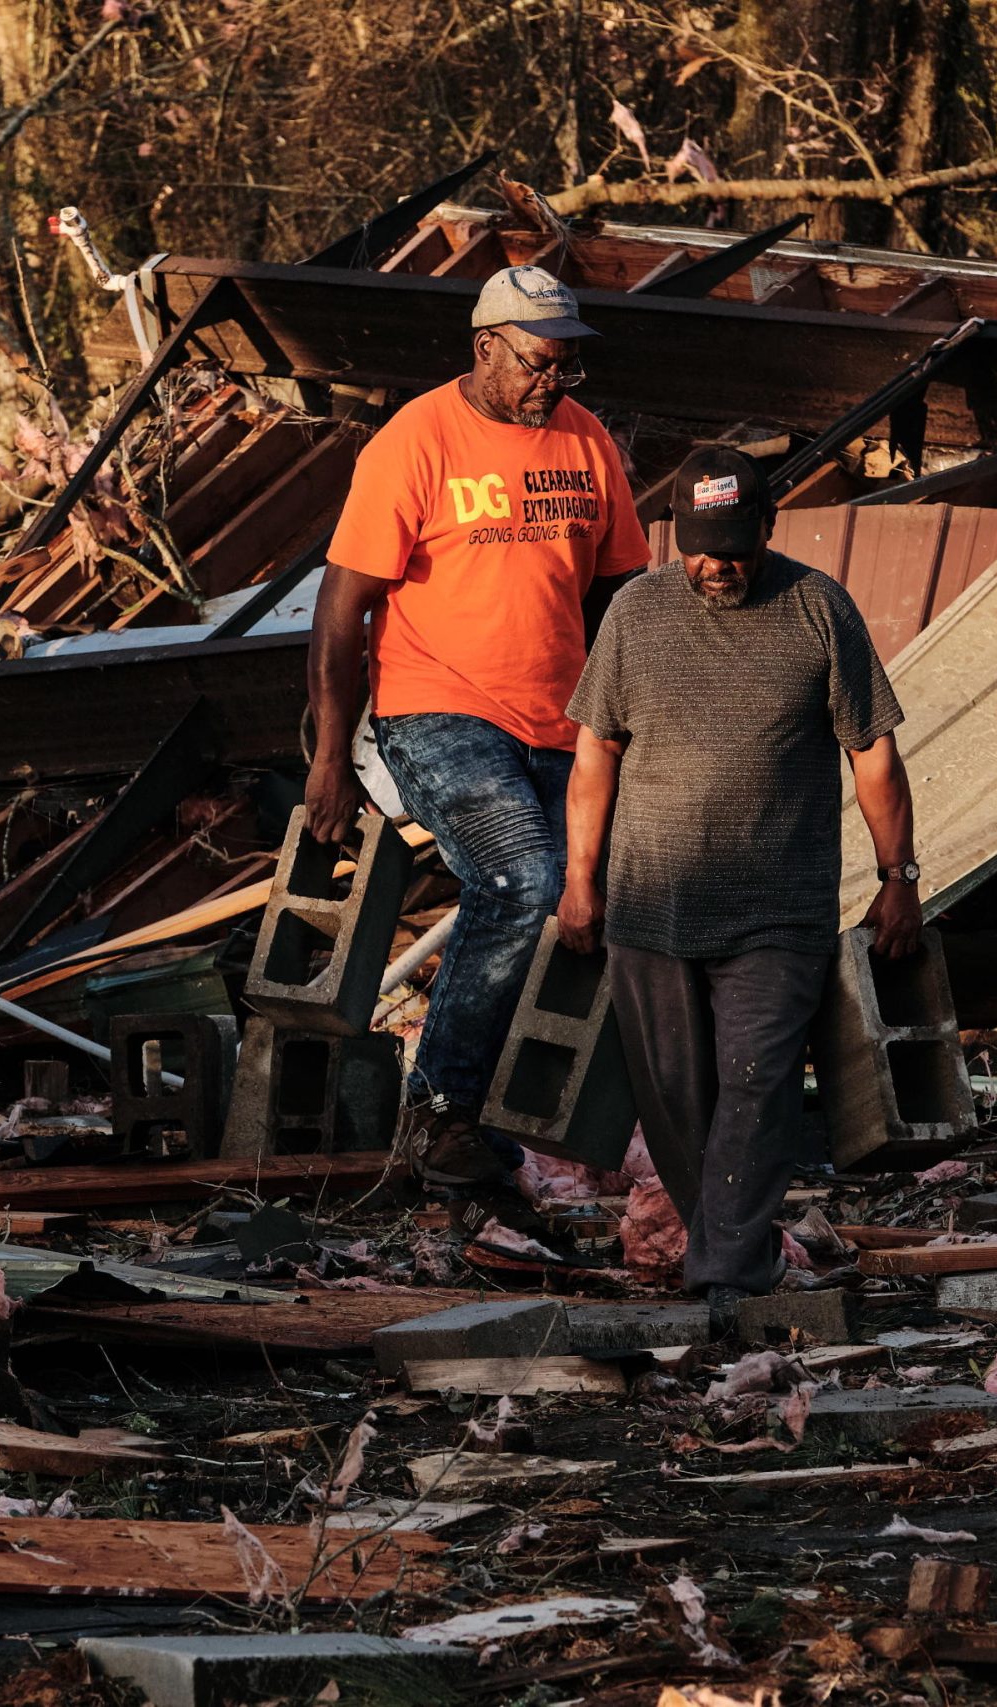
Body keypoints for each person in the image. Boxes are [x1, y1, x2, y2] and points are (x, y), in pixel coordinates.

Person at [557, 444, 921, 1336]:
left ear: (768, 526)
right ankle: (736, 1252)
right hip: (651, 905)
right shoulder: (636, 614)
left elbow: (870, 749)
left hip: (779, 907)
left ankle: (723, 1276)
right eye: (700, 546)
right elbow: (595, 751)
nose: (717, 563)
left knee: (757, 1083)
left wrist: (898, 876)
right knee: (676, 1096)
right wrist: (580, 879)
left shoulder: (817, 607)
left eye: (734, 544)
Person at [305, 265, 650, 1189]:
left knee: (612, 898)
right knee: (521, 879)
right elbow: (339, 612)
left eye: (569, 365)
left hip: (562, 721)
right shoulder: (414, 441)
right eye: (541, 361)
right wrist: (331, 757)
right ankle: (442, 1115)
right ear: (485, 347)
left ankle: (579, 1121)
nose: (555, 380)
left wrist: (637, 725)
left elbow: (621, 593)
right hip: (438, 707)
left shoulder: (587, 445)